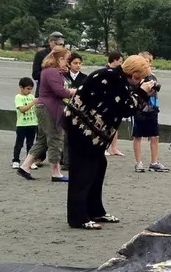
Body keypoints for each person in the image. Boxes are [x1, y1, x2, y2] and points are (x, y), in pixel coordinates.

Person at [64, 56, 156, 229]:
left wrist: (140, 90)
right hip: (82, 128)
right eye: (139, 77)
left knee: (98, 165)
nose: (140, 80)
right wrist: (142, 92)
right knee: (84, 170)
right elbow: (126, 108)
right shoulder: (112, 79)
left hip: (90, 130)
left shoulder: (116, 77)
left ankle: (95, 211)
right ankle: (78, 218)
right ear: (134, 73)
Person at [17, 45, 76, 182]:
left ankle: (25, 166)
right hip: (50, 108)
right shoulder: (51, 72)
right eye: (66, 60)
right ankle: (56, 172)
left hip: (45, 107)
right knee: (55, 138)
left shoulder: (50, 71)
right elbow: (61, 92)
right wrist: (73, 91)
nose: (67, 63)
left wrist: (63, 73)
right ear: (60, 58)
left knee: (43, 140)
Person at [131, 52, 169, 173]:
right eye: (144, 61)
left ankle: (154, 162)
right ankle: (138, 162)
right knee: (137, 136)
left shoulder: (152, 76)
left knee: (155, 136)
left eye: (148, 61)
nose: (146, 63)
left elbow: (153, 91)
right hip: (139, 109)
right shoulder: (135, 76)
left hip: (152, 109)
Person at [12, 77, 39, 169]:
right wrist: (33, 103)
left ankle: (30, 161)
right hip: (22, 125)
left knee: (30, 144)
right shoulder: (18, 97)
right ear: (21, 87)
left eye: (31, 89)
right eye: (27, 89)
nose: (29, 91)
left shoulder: (31, 97)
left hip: (32, 123)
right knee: (19, 143)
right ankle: (16, 160)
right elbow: (23, 109)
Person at [103, 51, 126, 157]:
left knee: (115, 126)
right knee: (105, 125)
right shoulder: (105, 71)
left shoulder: (119, 72)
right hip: (105, 102)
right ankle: (104, 147)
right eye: (120, 61)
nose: (121, 64)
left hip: (116, 101)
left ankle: (114, 148)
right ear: (115, 60)